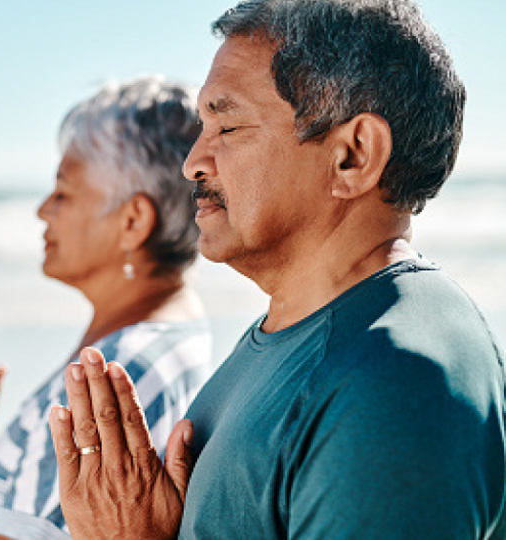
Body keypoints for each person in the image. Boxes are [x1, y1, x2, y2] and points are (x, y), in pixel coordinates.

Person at [47, 1, 506, 539]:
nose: (192, 161)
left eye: (229, 125)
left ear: (352, 156)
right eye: (203, 126)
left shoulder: (394, 383)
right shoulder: (301, 335)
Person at [0, 76, 214, 540]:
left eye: (63, 192)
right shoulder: (182, 326)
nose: (43, 211)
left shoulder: (103, 386)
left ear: (133, 220)